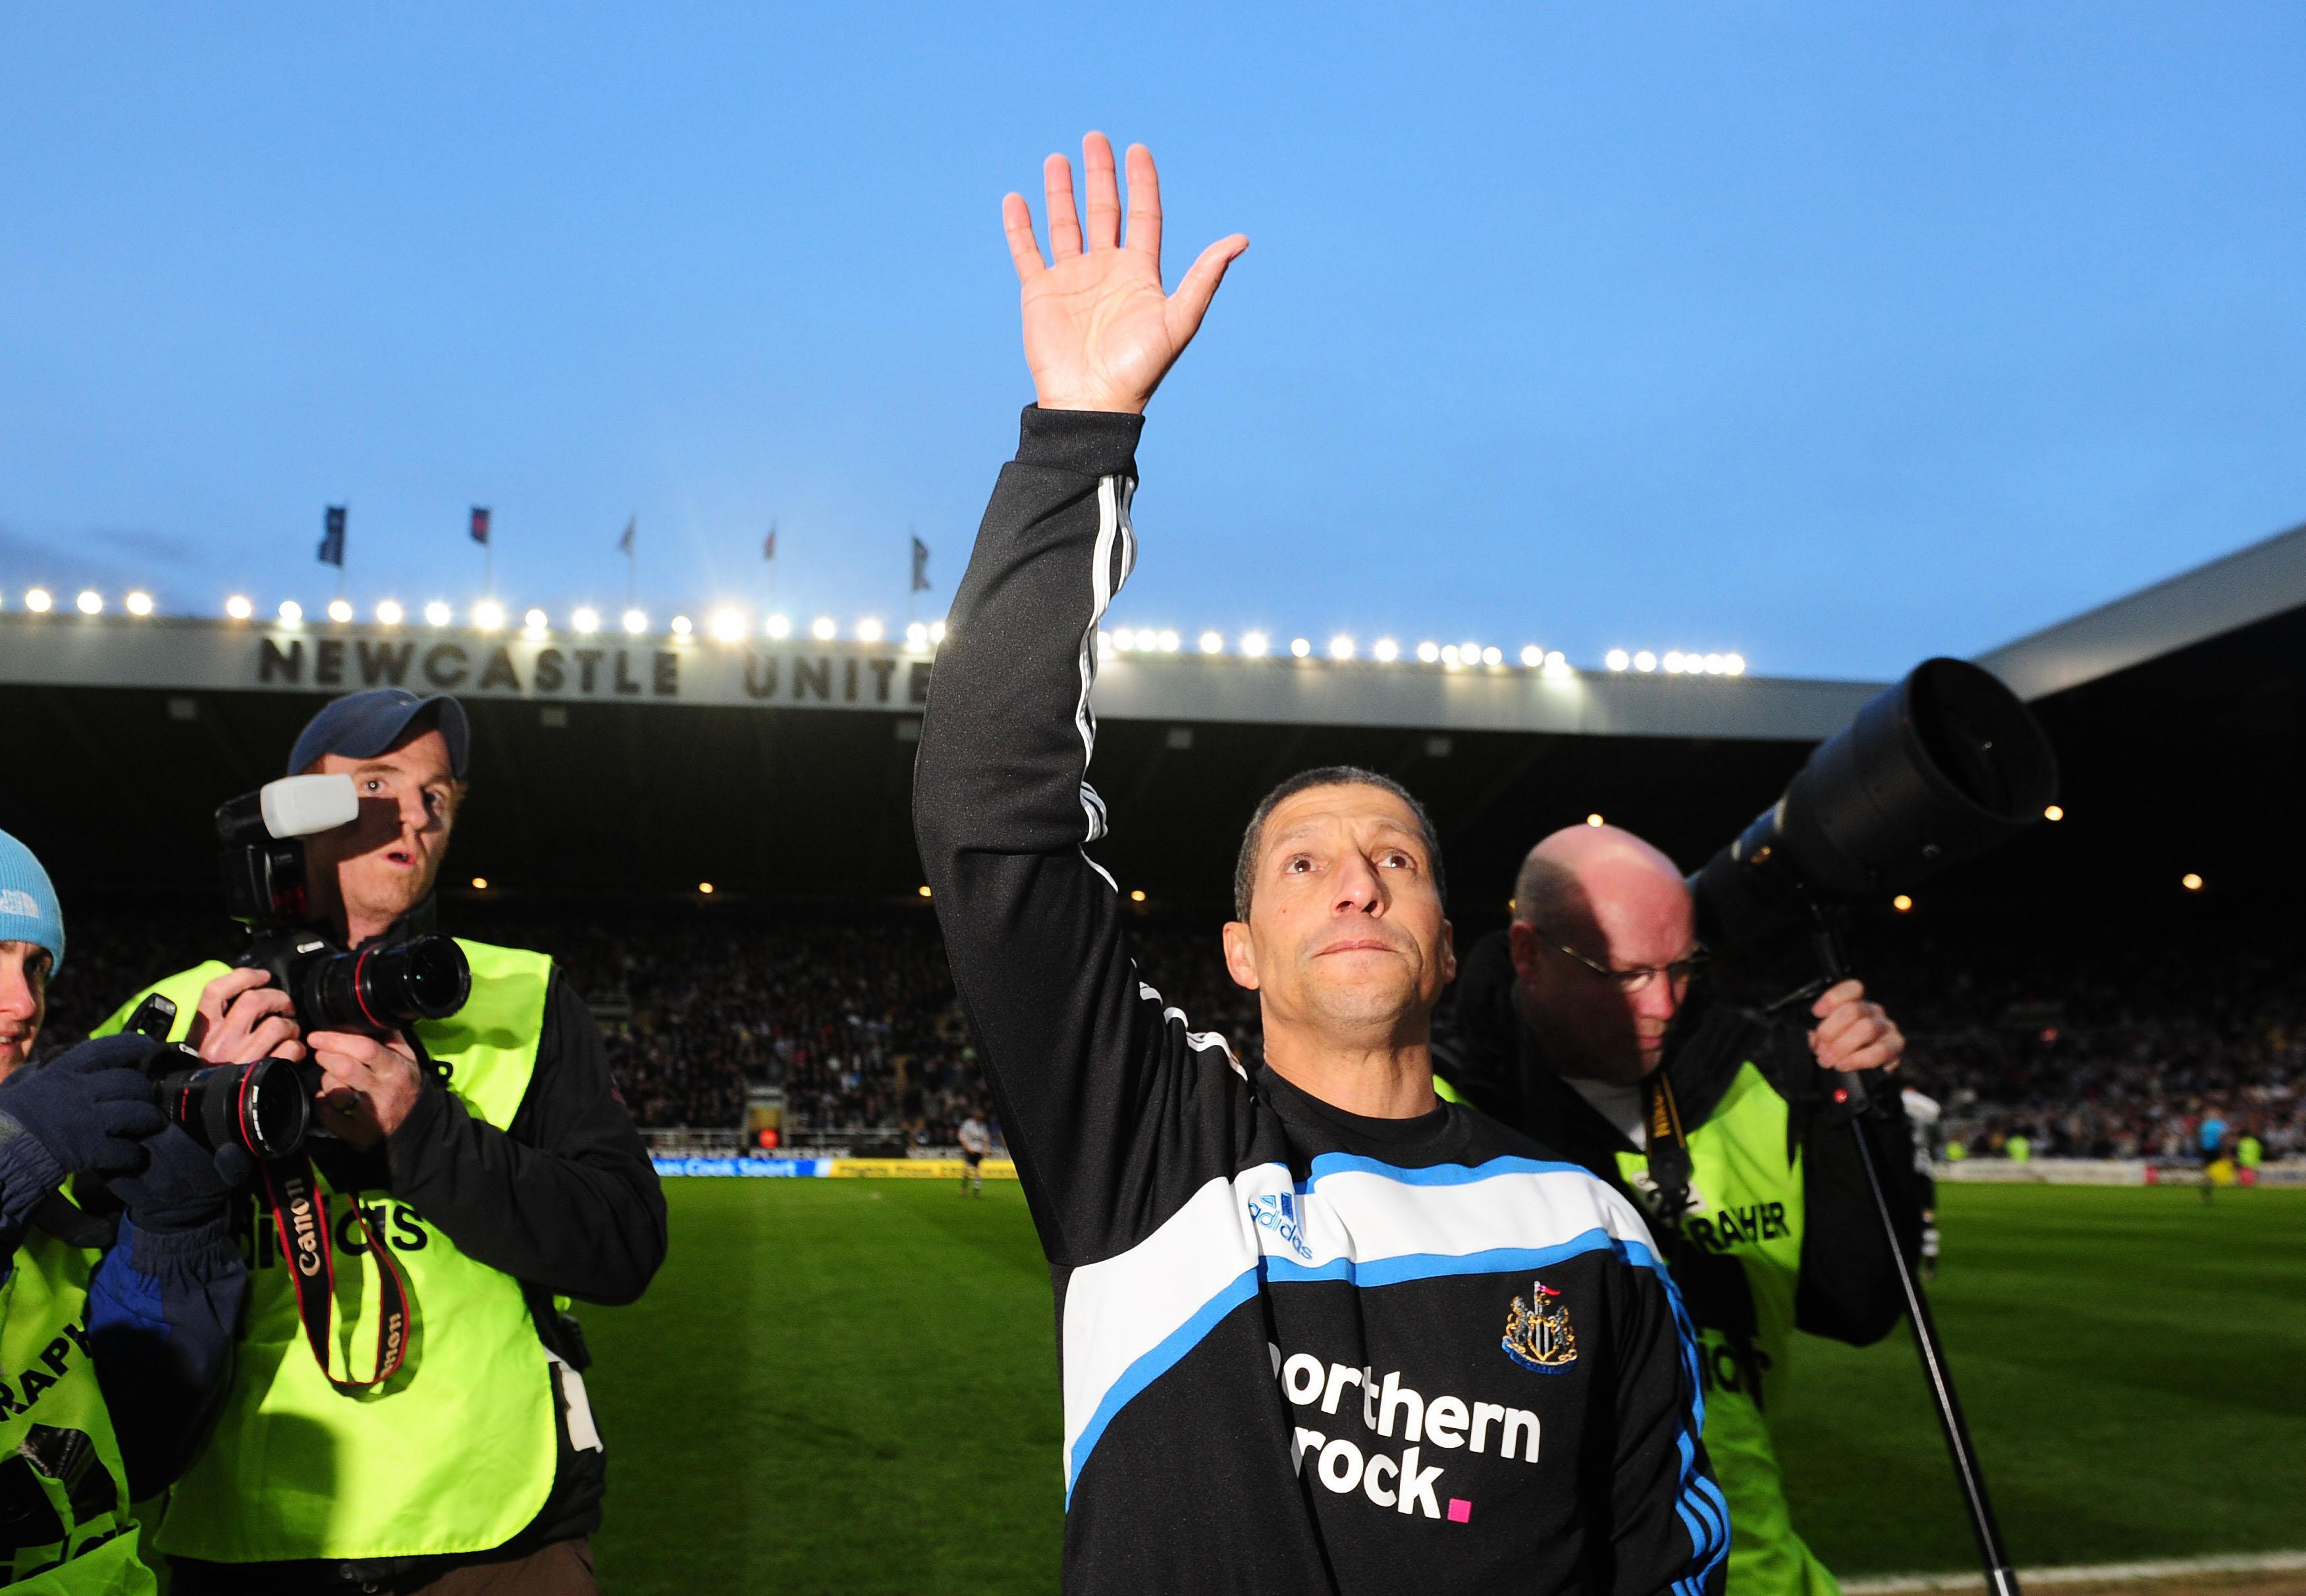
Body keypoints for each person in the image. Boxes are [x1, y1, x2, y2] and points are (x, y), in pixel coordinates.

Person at [914, 132, 1727, 1596]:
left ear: (1443, 933)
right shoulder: (1151, 1143)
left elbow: (1662, 1561)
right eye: (1298, 866)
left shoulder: (1586, 1228)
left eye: (1392, 861)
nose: (1351, 881)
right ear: (1235, 950)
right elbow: (983, 804)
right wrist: (1077, 433)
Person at [93, 689, 666, 1595]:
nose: (415, 813)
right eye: (374, 782)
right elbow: (83, 1289)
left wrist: (423, 1133)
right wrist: (195, 1129)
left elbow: (624, 1243)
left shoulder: (519, 996)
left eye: (439, 794)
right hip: (245, 1532)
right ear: (294, 807)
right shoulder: (180, 1013)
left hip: (497, 1531)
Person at [1435, 824, 1921, 1596]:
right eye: (1625, 975)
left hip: (1762, 1573)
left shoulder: (1758, 1075)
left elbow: (1854, 1307)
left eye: (1682, 968)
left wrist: (1865, 1110)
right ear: (1528, 954)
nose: (1663, 1004)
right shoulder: (1440, 1113)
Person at [0, 829, 249, 1593]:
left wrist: (177, 1241)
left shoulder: (55, 1192)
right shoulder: (31, 1153)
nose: (21, 1004)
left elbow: (139, 1452)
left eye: (35, 967)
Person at [1900, 1087, 1942, 1281]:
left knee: (1901, 1218)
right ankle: (1930, 1266)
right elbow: (1935, 1137)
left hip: (1903, 1168)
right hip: (1924, 1169)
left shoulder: (1896, 1100)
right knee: (1927, 1219)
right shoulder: (1932, 1107)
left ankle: (1905, 1266)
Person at [955, 1109, 990, 1196]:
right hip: (970, 1149)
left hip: (979, 1150)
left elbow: (985, 1139)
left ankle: (977, 1189)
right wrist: (968, 1148)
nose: (980, 1121)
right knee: (967, 1169)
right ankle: (964, 1188)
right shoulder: (968, 1124)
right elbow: (962, 1137)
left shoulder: (983, 1126)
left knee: (977, 1170)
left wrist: (985, 1150)